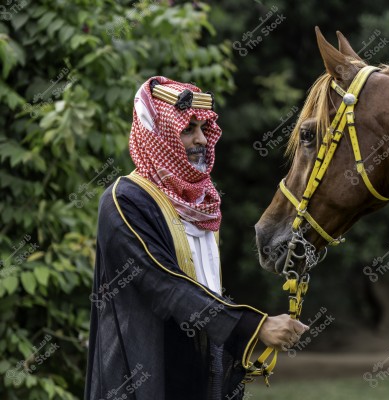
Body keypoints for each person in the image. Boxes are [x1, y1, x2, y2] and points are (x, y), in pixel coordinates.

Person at [84, 77, 308, 400]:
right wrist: (254, 326)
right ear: (157, 134)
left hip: (203, 375)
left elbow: (206, 291)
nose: (201, 139)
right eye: (188, 129)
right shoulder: (124, 200)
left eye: (204, 128)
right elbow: (164, 285)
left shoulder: (205, 205)